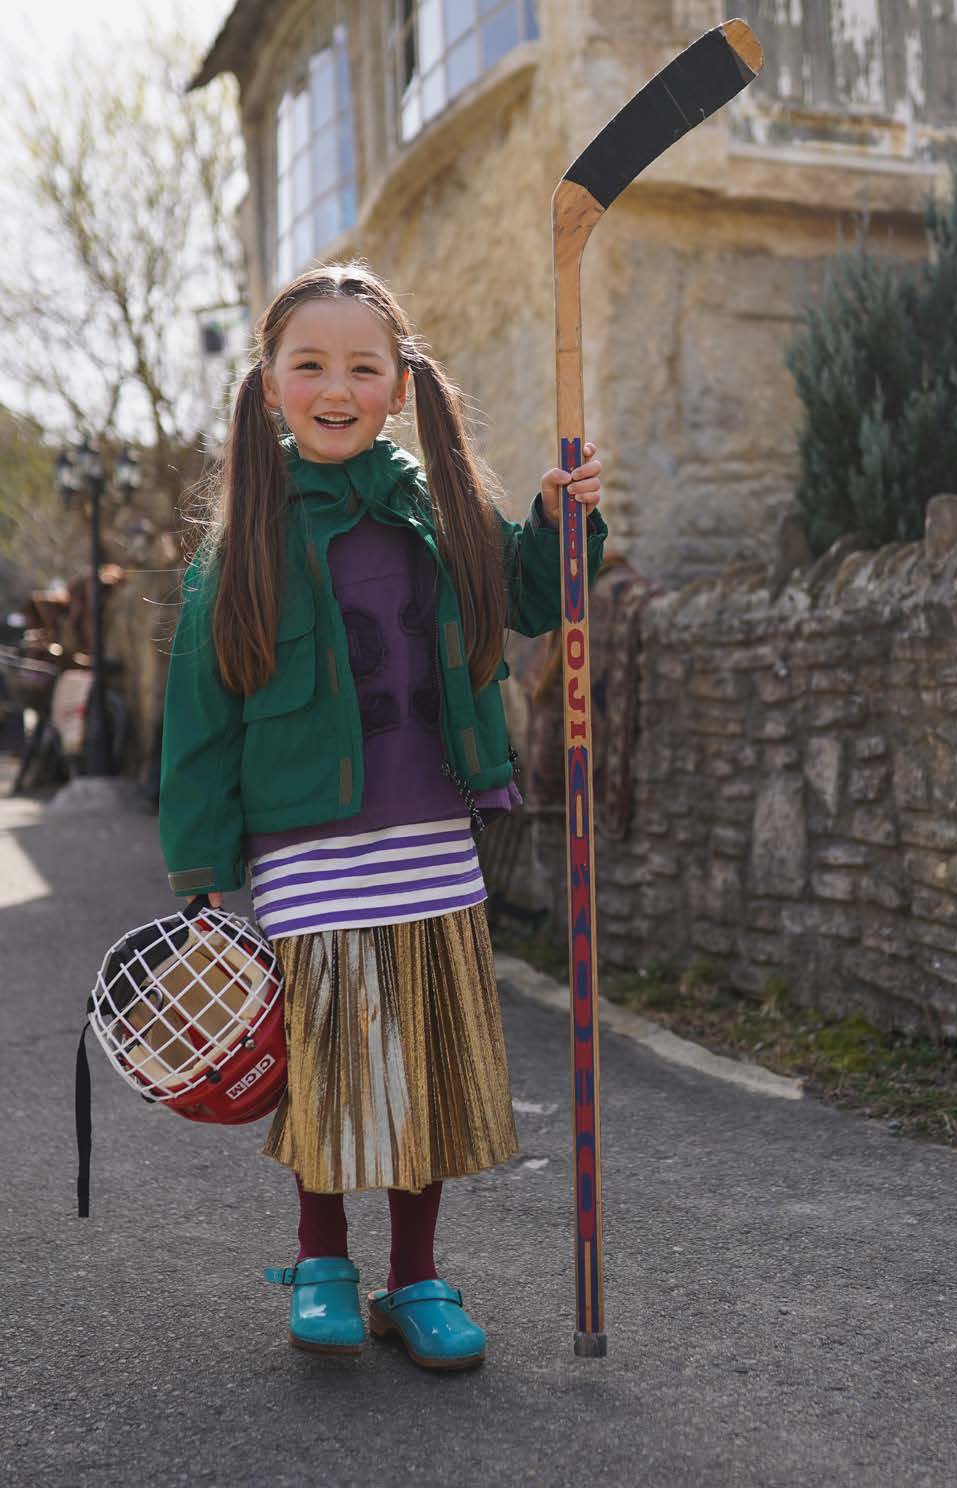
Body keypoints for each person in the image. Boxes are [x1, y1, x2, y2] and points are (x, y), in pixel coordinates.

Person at [158, 261, 605, 1367]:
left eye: (363, 365)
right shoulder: (240, 549)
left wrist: (559, 521)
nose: (335, 385)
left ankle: (415, 1279)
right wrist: (200, 871)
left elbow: (539, 598)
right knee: (331, 1062)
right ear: (268, 384)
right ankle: (322, 1261)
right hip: (305, 850)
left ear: (398, 387)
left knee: (429, 1058)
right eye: (309, 364)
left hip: (429, 840)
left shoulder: (443, 512)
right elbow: (199, 721)